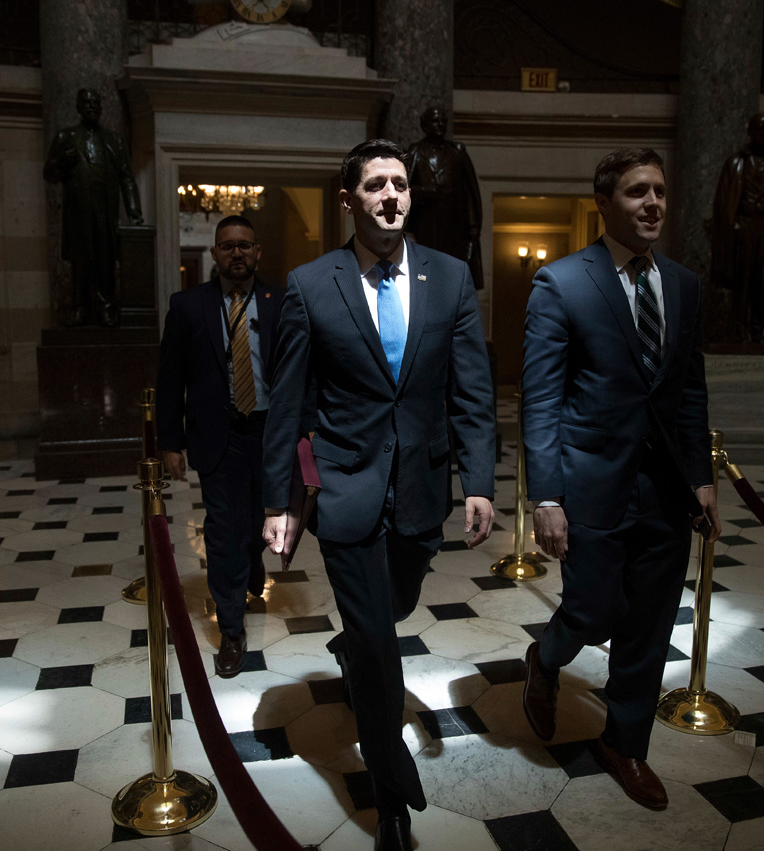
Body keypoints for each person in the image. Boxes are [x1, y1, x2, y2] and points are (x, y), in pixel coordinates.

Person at [261, 139, 496, 851]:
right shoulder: (309, 285)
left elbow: (472, 390)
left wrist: (479, 481)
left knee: (392, 607)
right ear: (349, 200)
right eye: (375, 185)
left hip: (423, 488)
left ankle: (356, 645)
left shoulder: (449, 278)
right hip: (346, 486)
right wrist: (279, 500)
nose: (392, 195)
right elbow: (287, 405)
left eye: (400, 184)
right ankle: (391, 795)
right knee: (376, 643)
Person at [520, 148, 721, 811]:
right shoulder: (561, 283)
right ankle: (545, 658)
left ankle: (624, 742)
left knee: (650, 621)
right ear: (605, 201)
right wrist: (544, 496)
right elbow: (541, 399)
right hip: (590, 483)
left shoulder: (684, 286)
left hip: (665, 489)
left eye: (660, 191)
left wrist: (700, 477)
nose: (652, 203)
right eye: (637, 192)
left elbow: (688, 389)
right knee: (596, 606)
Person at [156, 215, 279, 677]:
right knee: (224, 529)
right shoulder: (188, 306)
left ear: (257, 251)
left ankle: (251, 559)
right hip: (217, 434)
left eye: (245, 245)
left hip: (268, 433)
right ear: (215, 253)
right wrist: (171, 442)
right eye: (227, 246)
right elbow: (169, 380)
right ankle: (231, 630)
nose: (237, 253)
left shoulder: (280, 302)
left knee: (255, 521)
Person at [43, 88, 143, 327]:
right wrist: (60, 163)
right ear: (78, 107)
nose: (91, 107)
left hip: (105, 212)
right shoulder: (65, 137)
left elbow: (127, 178)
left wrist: (134, 212)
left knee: (105, 261)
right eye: (86, 103)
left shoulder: (113, 141)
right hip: (78, 214)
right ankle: (80, 307)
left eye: (95, 103)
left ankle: (107, 306)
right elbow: (48, 174)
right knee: (80, 262)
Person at [710, 112, 764, 344]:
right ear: (750, 131)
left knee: (761, 282)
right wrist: (734, 226)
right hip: (743, 228)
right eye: (759, 129)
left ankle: (757, 329)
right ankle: (739, 328)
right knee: (742, 281)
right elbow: (723, 202)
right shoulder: (736, 162)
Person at [405, 106, 485, 289]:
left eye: (443, 121)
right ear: (425, 125)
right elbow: (404, 191)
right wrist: (424, 191)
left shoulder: (457, 152)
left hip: (454, 226)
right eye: (435, 120)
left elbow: (470, 193)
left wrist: (473, 228)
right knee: (426, 273)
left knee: (452, 274)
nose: (440, 125)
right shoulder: (415, 152)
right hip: (425, 225)